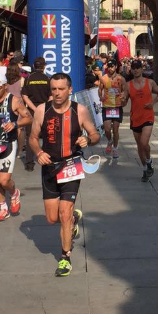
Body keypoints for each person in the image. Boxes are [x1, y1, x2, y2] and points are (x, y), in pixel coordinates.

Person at [29, 72, 100, 278]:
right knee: (52, 219)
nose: (57, 93)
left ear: (70, 90)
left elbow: (95, 134)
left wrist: (88, 139)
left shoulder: (80, 111)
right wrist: (39, 152)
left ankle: (65, 257)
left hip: (71, 165)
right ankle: (72, 223)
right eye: (54, 89)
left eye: (61, 89)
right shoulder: (42, 110)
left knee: (65, 212)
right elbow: (33, 138)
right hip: (49, 167)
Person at [0, 68, 32, 222]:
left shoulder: (14, 100)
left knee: (4, 181)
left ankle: (14, 193)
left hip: (8, 143)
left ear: (5, 87)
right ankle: (3, 208)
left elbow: (28, 118)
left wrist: (15, 124)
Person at [119, 59, 158, 182]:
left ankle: (149, 161)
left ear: (142, 69)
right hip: (135, 118)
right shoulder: (128, 85)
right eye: (134, 68)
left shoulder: (150, 82)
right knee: (140, 146)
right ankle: (145, 169)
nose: (136, 70)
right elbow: (124, 102)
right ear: (131, 70)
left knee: (144, 143)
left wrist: (152, 103)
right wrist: (122, 100)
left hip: (148, 116)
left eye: (138, 67)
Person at [21, 57, 51, 171]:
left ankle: (29, 164)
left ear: (34, 66)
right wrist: (43, 108)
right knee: (48, 135)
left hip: (32, 111)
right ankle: (47, 159)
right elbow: (51, 96)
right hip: (45, 110)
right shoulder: (47, 79)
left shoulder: (29, 79)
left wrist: (34, 108)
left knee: (31, 136)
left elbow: (24, 96)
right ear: (44, 66)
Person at [98, 59, 125, 164]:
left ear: (115, 67)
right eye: (109, 66)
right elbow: (100, 89)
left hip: (117, 107)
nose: (110, 68)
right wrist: (101, 97)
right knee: (107, 129)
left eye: (112, 66)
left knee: (116, 130)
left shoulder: (120, 79)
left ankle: (115, 148)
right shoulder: (103, 78)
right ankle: (109, 141)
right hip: (107, 107)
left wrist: (123, 96)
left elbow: (125, 90)